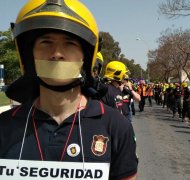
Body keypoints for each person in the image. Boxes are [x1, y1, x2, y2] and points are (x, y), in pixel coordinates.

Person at [0, 1, 138, 179]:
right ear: (29, 54)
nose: (56, 53)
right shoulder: (3, 127)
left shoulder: (117, 127)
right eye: (46, 42)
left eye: (70, 43)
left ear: (85, 58)